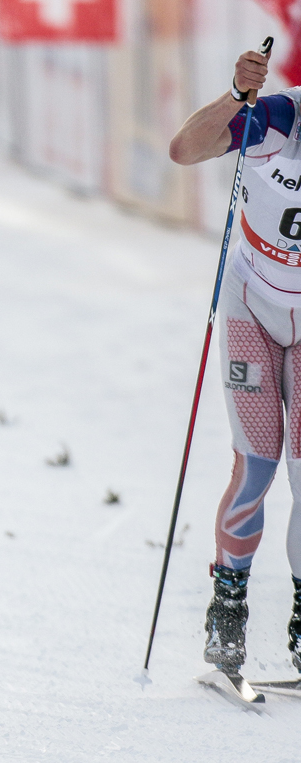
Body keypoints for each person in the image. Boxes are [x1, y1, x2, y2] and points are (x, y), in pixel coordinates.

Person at [170, 47, 301, 674]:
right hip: (252, 304)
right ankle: (228, 606)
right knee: (256, 467)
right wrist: (234, 97)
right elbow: (184, 150)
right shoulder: (280, 120)